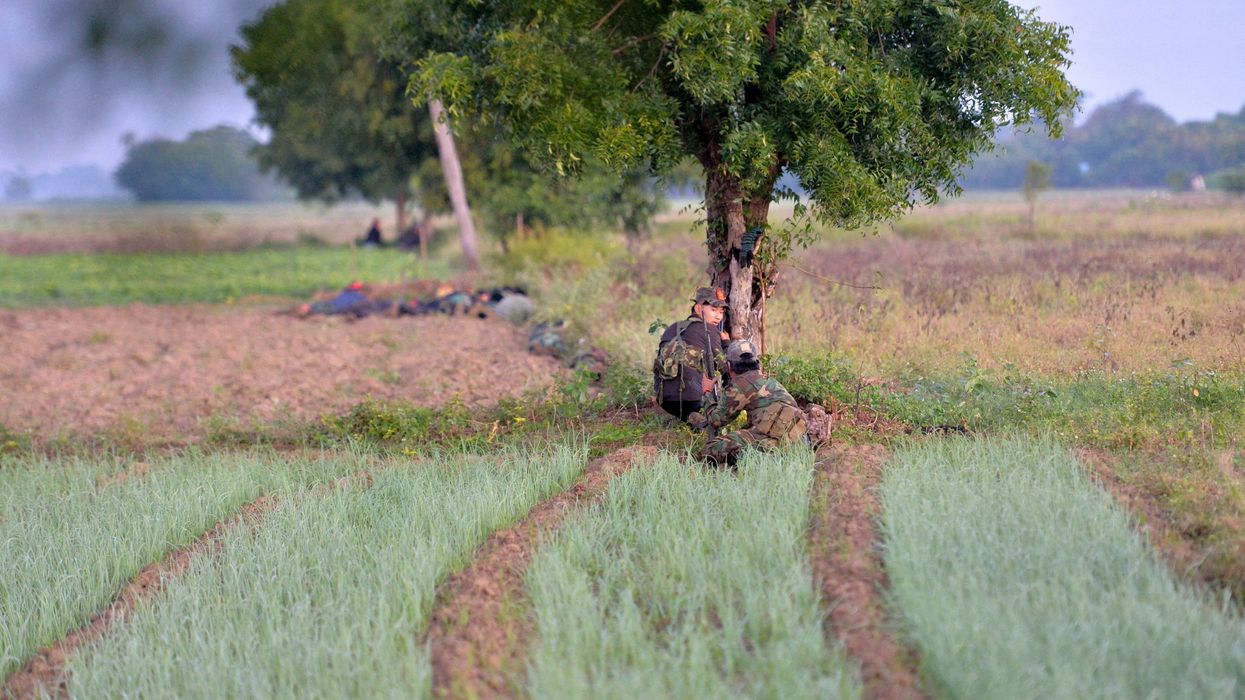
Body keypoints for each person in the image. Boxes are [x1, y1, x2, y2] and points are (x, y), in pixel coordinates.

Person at [690, 339, 808, 466]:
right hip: (796, 438)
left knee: (713, 447)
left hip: (772, 439)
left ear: (729, 366)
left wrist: (707, 392)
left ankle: (756, 458)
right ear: (757, 363)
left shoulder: (739, 385)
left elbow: (716, 421)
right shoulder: (770, 381)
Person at [653, 287, 729, 421]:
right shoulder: (709, 330)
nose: (718, 316)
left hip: (665, 400)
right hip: (695, 399)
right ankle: (700, 418)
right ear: (699, 308)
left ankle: (690, 418)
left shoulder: (673, 327)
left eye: (721, 312)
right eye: (713, 310)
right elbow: (723, 366)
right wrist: (727, 343)